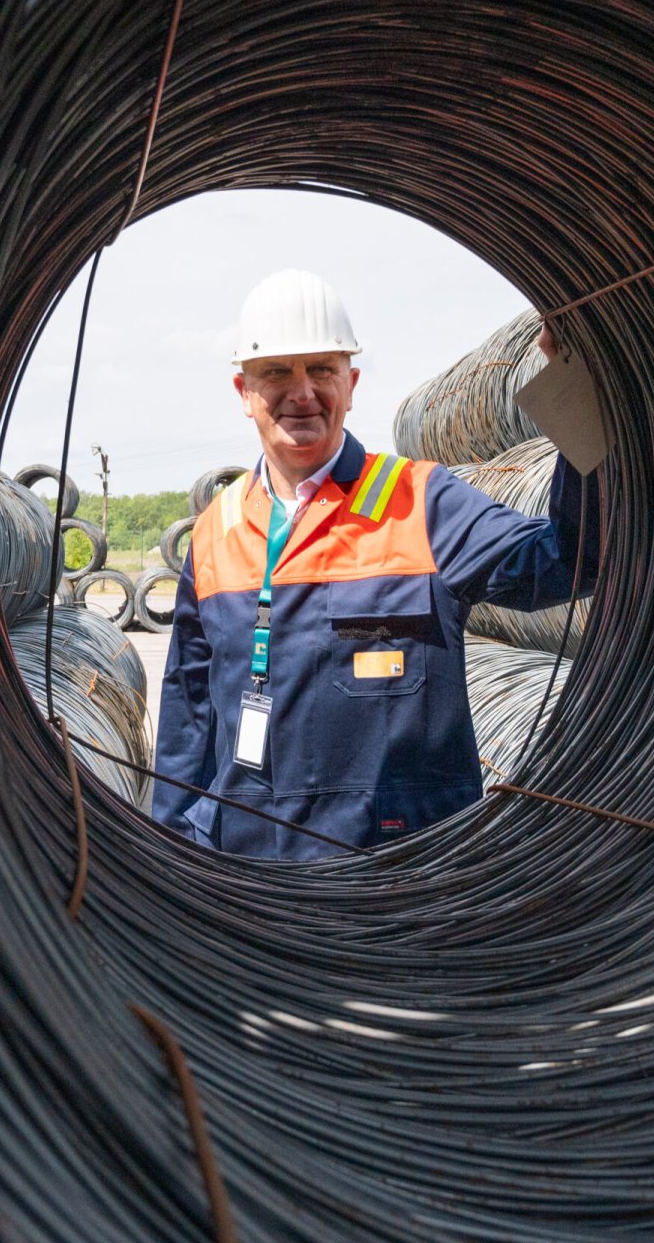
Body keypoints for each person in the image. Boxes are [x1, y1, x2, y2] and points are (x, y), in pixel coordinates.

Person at [152, 269, 599, 859]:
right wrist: (176, 850)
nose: (302, 392)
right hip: (253, 873)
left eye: (322, 370)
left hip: (403, 875)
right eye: (277, 372)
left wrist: (578, 391)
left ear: (352, 382)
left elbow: (570, 561)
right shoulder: (217, 528)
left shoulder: (425, 502)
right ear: (243, 392)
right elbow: (190, 712)